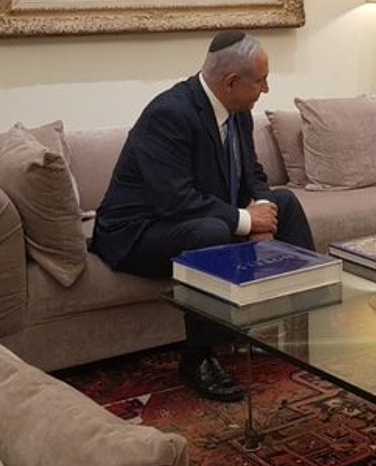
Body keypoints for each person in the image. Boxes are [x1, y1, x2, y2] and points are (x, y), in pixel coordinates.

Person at [92, 31, 314, 401]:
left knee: (285, 203)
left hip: (191, 217)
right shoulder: (169, 113)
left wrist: (264, 210)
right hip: (139, 231)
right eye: (260, 81)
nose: (266, 89)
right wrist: (247, 221)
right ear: (231, 81)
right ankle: (199, 358)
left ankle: (303, 325)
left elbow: (252, 174)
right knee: (210, 233)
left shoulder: (238, 112)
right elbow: (174, 200)